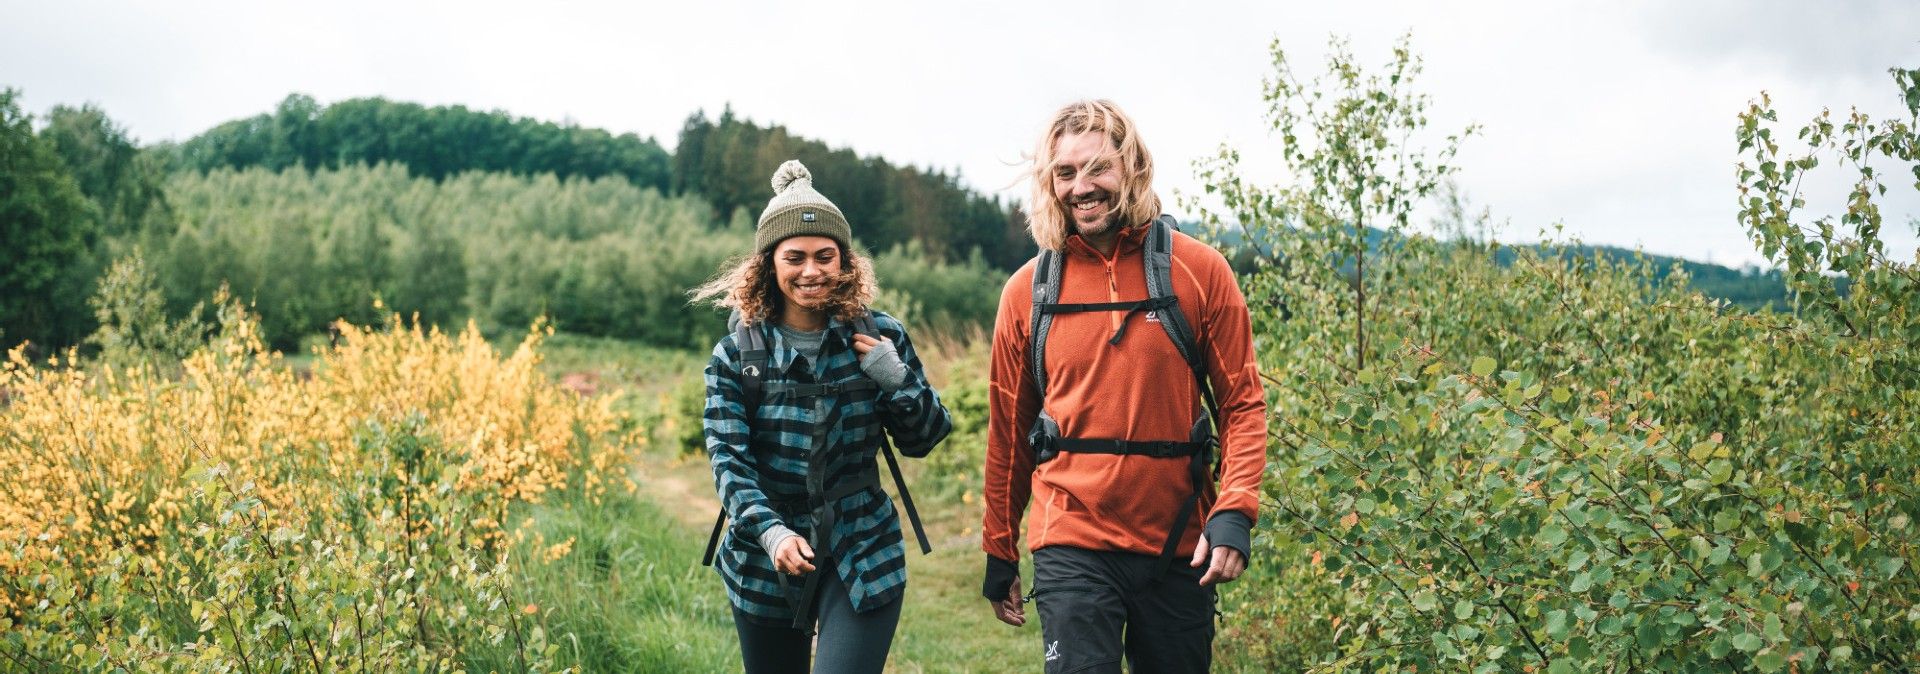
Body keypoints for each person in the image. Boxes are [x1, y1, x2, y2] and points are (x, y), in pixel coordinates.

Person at [980, 100, 1269, 673]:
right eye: (1065, 173)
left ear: (1133, 167)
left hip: (1180, 540)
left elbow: (1243, 405)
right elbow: (1009, 433)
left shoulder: (1199, 272)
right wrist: (998, 547)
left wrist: (1235, 509)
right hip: (1071, 534)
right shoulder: (1027, 291)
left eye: (1097, 169)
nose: (1081, 187)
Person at [693, 160, 952, 674]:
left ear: (844, 261)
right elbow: (729, 463)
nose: (810, 270)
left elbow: (925, 436)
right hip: (762, 557)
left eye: (824, 256)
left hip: (863, 545)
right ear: (769, 264)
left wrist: (894, 378)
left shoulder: (881, 336)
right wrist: (772, 533)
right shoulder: (736, 355)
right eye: (795, 257)